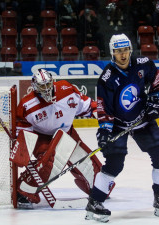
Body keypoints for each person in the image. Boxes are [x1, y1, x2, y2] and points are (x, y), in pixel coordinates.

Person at [84, 34, 159, 222]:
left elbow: (158, 82)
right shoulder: (106, 78)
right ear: (112, 53)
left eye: (125, 50)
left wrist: (155, 103)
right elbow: (103, 108)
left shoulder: (143, 64)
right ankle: (95, 201)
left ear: (130, 50)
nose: (123, 54)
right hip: (118, 124)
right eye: (118, 51)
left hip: (142, 118)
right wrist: (104, 131)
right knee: (115, 164)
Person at [14, 69, 114, 208]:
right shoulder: (27, 104)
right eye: (42, 86)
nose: (46, 88)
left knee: (86, 165)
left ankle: (99, 188)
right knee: (47, 164)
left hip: (67, 133)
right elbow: (21, 129)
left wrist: (100, 113)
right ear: (35, 86)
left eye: (48, 84)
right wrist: (22, 147)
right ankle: (23, 190)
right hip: (43, 138)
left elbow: (86, 105)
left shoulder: (67, 90)